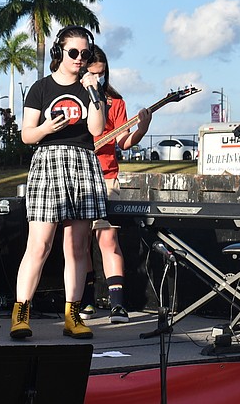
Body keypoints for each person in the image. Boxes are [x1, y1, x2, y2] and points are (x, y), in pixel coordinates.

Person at [10, 26, 107, 340]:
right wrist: (47, 127)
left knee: (78, 247)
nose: (80, 59)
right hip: (48, 160)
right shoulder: (40, 88)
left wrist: (94, 93)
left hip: (82, 162)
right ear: (59, 53)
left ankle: (73, 314)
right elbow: (26, 135)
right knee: (39, 244)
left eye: (85, 53)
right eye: (74, 52)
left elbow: (96, 129)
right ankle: (21, 312)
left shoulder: (91, 88)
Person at [79, 46, 152, 324]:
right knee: (79, 242)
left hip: (107, 176)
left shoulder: (116, 101)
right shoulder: (75, 98)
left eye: (101, 74)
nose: (97, 79)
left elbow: (123, 142)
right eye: (92, 73)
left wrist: (141, 129)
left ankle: (117, 304)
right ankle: (83, 302)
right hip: (79, 176)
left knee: (108, 240)